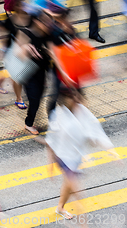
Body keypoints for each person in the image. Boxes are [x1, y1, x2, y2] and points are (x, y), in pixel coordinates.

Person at [45, 90, 118, 221]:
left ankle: (60, 207)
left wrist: (111, 150)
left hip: (75, 159)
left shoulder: (82, 111)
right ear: (65, 100)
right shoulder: (58, 115)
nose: (76, 99)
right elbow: (50, 141)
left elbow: (96, 131)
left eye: (76, 96)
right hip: (62, 158)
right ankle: (83, 224)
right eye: (72, 97)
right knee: (79, 194)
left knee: (68, 186)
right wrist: (50, 164)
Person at [15, 10, 53, 134]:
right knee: (35, 99)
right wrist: (24, 48)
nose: (48, 24)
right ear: (36, 21)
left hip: (42, 72)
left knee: (39, 97)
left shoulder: (46, 35)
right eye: (45, 22)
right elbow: (16, 54)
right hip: (28, 73)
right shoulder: (25, 33)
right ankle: (28, 123)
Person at [3, 0, 32, 109]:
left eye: (22, 4)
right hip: (13, 52)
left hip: (26, 51)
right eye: (18, 5)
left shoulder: (29, 18)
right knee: (17, 77)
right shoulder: (10, 20)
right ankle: (19, 98)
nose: (21, 7)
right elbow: (6, 35)